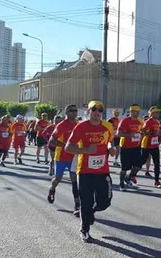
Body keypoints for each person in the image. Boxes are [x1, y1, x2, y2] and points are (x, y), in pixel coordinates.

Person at [65, 100, 115, 242]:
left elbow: (110, 140)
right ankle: (85, 229)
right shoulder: (81, 127)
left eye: (100, 110)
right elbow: (68, 147)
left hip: (103, 171)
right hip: (85, 172)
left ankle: (90, 212)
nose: (97, 113)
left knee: (105, 202)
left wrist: (111, 147)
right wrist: (85, 150)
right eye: (94, 110)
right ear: (89, 111)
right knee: (86, 202)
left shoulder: (107, 126)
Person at [48, 105, 80, 216]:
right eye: (71, 111)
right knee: (58, 178)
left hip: (74, 158)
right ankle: (52, 189)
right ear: (66, 112)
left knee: (74, 180)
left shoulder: (78, 125)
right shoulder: (61, 125)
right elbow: (52, 140)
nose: (74, 113)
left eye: (75, 111)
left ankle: (77, 204)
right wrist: (66, 145)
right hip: (61, 157)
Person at [117, 104, 144, 191]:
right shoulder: (125, 121)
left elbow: (141, 131)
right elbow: (119, 133)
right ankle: (121, 184)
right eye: (135, 111)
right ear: (131, 112)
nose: (136, 113)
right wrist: (129, 135)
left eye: (138, 112)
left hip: (136, 147)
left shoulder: (140, 121)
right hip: (125, 147)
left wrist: (141, 134)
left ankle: (128, 178)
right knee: (124, 168)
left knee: (138, 166)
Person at [141, 106, 161, 188]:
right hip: (146, 144)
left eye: (158, 112)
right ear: (152, 113)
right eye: (156, 112)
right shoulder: (148, 122)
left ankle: (157, 181)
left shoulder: (157, 122)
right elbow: (143, 132)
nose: (158, 114)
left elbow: (156, 132)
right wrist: (152, 133)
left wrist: (159, 133)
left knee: (157, 163)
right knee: (142, 161)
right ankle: (131, 175)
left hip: (155, 145)